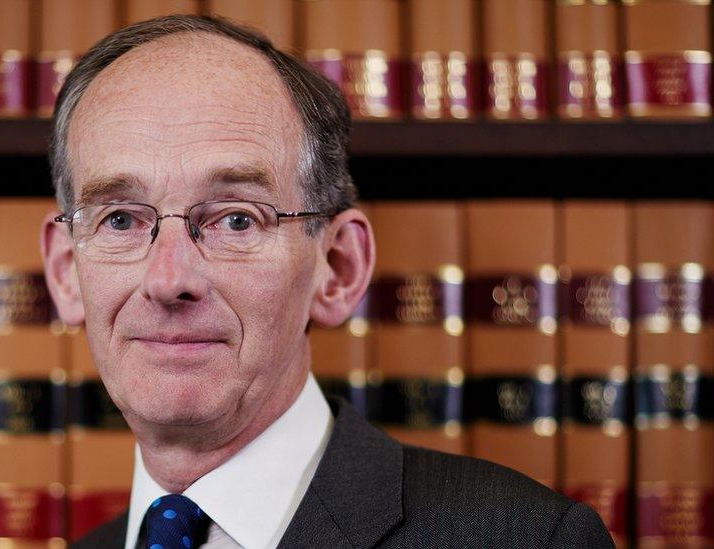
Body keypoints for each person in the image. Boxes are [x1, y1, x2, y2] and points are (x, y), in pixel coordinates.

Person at [40, 14, 614, 549]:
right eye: (119, 219)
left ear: (338, 268)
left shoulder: (527, 539)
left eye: (237, 219)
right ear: (66, 272)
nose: (169, 280)